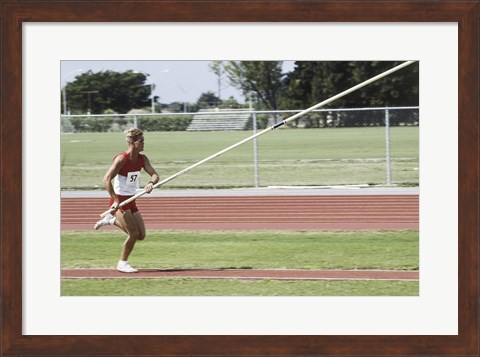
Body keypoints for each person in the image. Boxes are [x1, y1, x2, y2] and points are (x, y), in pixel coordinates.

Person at [94, 128, 159, 273]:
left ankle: (110, 220)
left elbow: (155, 175)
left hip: (131, 199)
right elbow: (106, 180)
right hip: (120, 201)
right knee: (133, 234)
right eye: (140, 141)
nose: (143, 143)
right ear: (132, 142)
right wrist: (115, 200)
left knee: (141, 235)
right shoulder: (121, 159)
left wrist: (150, 183)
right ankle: (122, 263)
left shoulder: (143, 159)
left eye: (143, 140)